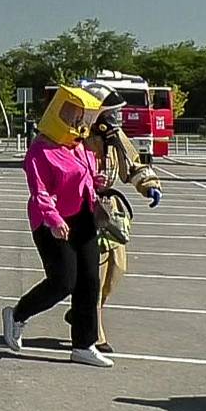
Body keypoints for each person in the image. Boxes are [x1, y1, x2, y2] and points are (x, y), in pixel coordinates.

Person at [2, 85, 113, 368]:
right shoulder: (41, 148)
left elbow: (85, 178)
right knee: (63, 281)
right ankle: (17, 314)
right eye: (73, 116)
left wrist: (97, 184)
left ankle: (84, 345)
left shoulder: (80, 146)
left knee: (90, 281)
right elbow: (39, 192)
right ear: (58, 114)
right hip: (50, 220)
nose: (79, 123)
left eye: (81, 117)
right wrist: (53, 220)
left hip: (82, 216)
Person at [74, 82, 162, 353]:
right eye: (111, 112)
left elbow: (132, 163)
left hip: (109, 208)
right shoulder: (75, 136)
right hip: (82, 206)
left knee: (117, 268)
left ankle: (84, 314)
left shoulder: (115, 136)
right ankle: (95, 328)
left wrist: (149, 185)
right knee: (95, 273)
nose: (116, 118)